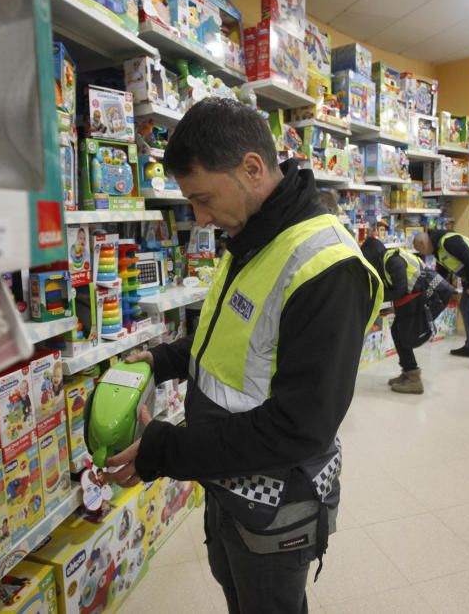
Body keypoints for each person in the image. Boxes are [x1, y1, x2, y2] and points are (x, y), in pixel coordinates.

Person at [102, 98, 381, 614]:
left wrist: (164, 451)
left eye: (204, 198)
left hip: (278, 504)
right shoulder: (253, 238)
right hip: (228, 482)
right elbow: (227, 342)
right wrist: (161, 361)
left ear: (252, 168)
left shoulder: (327, 268)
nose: (200, 218)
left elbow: (301, 426)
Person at [360, 238, 455, 394]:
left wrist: (374, 298)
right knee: (397, 332)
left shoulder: (393, 262)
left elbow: (400, 290)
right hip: (415, 298)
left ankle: (414, 380)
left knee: (403, 335)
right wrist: (392, 308)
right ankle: (408, 373)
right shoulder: (387, 260)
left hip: (425, 296)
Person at [413, 229, 469, 370]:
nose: (424, 254)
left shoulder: (449, 241)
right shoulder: (438, 250)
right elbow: (443, 273)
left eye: (421, 251)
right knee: (466, 308)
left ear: (423, 243)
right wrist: (439, 289)